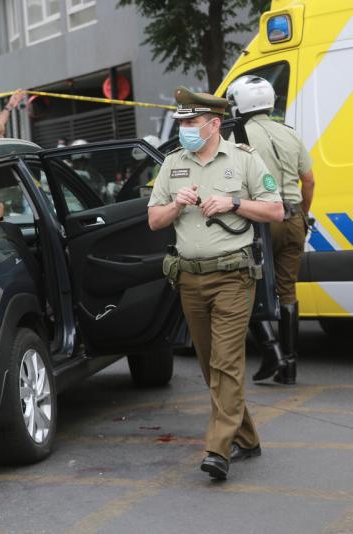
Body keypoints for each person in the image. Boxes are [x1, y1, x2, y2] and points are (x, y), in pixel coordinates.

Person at [147, 87, 283, 480]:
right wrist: (176, 205)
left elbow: (275, 209)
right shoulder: (172, 164)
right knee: (210, 367)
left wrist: (233, 203)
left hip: (234, 277)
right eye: (182, 123)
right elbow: (153, 220)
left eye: (191, 122)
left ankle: (218, 450)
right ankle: (248, 437)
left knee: (226, 362)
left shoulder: (243, 160)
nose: (185, 129)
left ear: (214, 124)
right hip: (190, 278)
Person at [227, 75, 315, 385]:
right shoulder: (290, 134)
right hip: (293, 220)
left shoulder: (237, 137)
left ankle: (271, 351)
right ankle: (289, 367)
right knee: (287, 291)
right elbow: (309, 180)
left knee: (247, 288)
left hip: (261, 222)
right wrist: (302, 215)